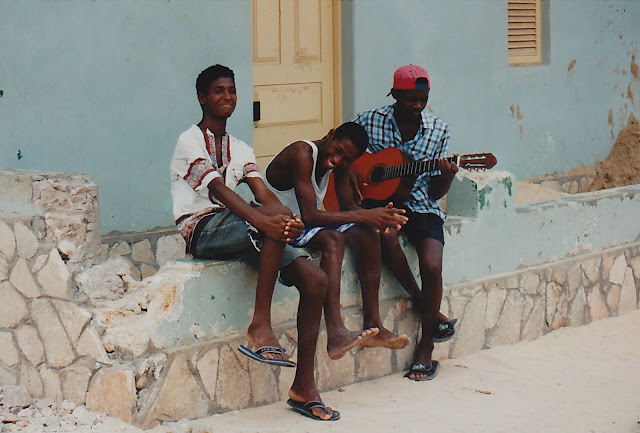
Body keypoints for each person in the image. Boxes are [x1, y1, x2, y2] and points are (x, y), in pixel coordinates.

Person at [170, 64, 338, 420]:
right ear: (202, 98)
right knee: (269, 221)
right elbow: (217, 190)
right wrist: (265, 218)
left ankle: (303, 388)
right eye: (218, 91)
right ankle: (260, 325)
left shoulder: (242, 147)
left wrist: (287, 219)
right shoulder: (189, 141)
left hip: (242, 227)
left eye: (231, 90)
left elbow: (263, 193)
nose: (226, 97)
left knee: (316, 280)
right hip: (203, 229)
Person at [263, 121, 412, 359]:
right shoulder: (302, 153)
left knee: (368, 233)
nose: (338, 160)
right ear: (330, 135)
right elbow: (311, 215)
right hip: (270, 224)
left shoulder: (342, 162)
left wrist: (380, 219)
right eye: (338, 151)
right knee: (333, 239)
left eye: (347, 159)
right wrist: (366, 215)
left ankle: (374, 326)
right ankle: (336, 333)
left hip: (298, 225)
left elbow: (348, 209)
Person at [350, 64, 459, 381]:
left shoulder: (438, 130)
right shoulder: (369, 120)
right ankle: (421, 301)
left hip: (422, 205)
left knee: (433, 265)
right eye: (410, 99)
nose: (417, 105)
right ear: (395, 94)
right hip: (382, 203)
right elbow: (347, 154)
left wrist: (447, 176)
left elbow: (436, 192)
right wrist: (358, 177)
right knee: (386, 234)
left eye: (422, 99)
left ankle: (426, 347)